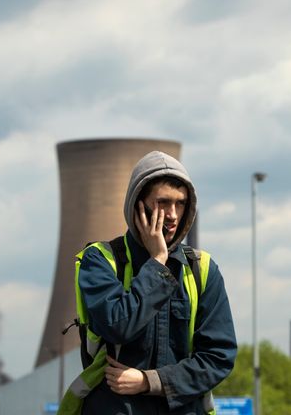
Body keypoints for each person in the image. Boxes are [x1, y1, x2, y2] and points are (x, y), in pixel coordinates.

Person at [76, 150, 237, 414]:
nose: (173, 214)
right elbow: (119, 326)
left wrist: (150, 382)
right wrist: (157, 262)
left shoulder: (202, 269)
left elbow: (219, 357)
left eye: (181, 203)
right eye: (163, 202)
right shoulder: (99, 261)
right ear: (138, 204)